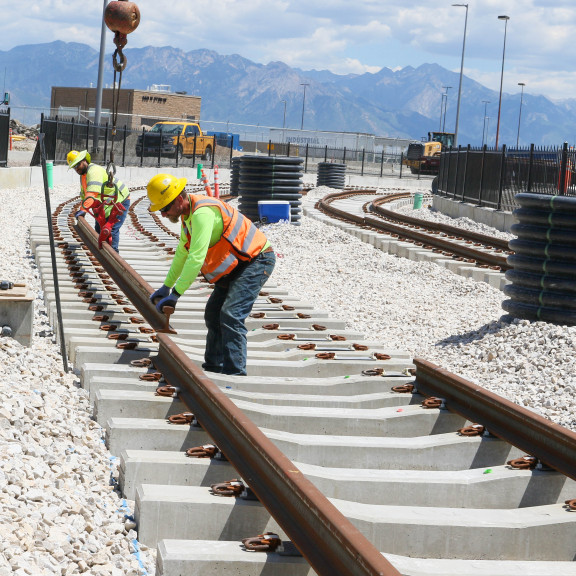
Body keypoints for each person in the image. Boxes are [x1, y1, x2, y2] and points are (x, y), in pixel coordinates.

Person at [147, 173, 275, 376]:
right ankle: (214, 368)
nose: (163, 214)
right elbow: (183, 252)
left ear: (179, 199)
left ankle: (235, 373)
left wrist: (177, 293)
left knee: (231, 315)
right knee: (213, 314)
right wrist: (166, 286)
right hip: (237, 265)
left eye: (165, 208)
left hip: (256, 260)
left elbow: (196, 258)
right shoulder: (187, 216)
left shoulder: (202, 214)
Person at [67, 150, 131, 253]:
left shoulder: (93, 171)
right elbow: (85, 195)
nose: (76, 168)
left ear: (84, 161)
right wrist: (84, 209)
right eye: (74, 167)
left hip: (120, 201)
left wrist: (83, 210)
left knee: (111, 229)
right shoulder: (83, 176)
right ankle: (102, 251)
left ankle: (113, 254)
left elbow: (92, 194)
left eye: (77, 164)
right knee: (99, 228)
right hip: (106, 203)